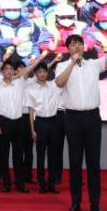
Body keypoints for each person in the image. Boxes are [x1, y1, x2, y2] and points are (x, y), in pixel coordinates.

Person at [54, 29, 107, 211]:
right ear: (68, 48)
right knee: (75, 161)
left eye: (80, 43)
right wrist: (72, 63)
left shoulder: (93, 65)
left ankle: (95, 203)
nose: (77, 46)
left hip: (92, 118)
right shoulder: (62, 66)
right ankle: (76, 202)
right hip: (72, 118)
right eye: (73, 44)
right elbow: (59, 83)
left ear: (84, 47)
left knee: (93, 162)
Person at [0, 49, 46, 193]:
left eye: (11, 69)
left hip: (19, 122)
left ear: (14, 71)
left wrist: (41, 57)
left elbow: (30, 68)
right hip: (3, 122)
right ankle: (6, 184)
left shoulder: (20, 82)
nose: (9, 71)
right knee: (3, 154)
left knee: (18, 154)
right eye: (6, 69)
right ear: (2, 71)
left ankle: (20, 183)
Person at [25, 52, 66, 194]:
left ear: (47, 73)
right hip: (40, 123)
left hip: (54, 122)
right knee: (40, 155)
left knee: (53, 155)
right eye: (39, 72)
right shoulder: (31, 90)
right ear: (36, 74)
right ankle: (42, 184)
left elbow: (65, 78)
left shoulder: (54, 86)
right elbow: (31, 111)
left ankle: (51, 184)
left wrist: (76, 62)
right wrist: (32, 130)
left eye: (44, 71)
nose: (42, 74)